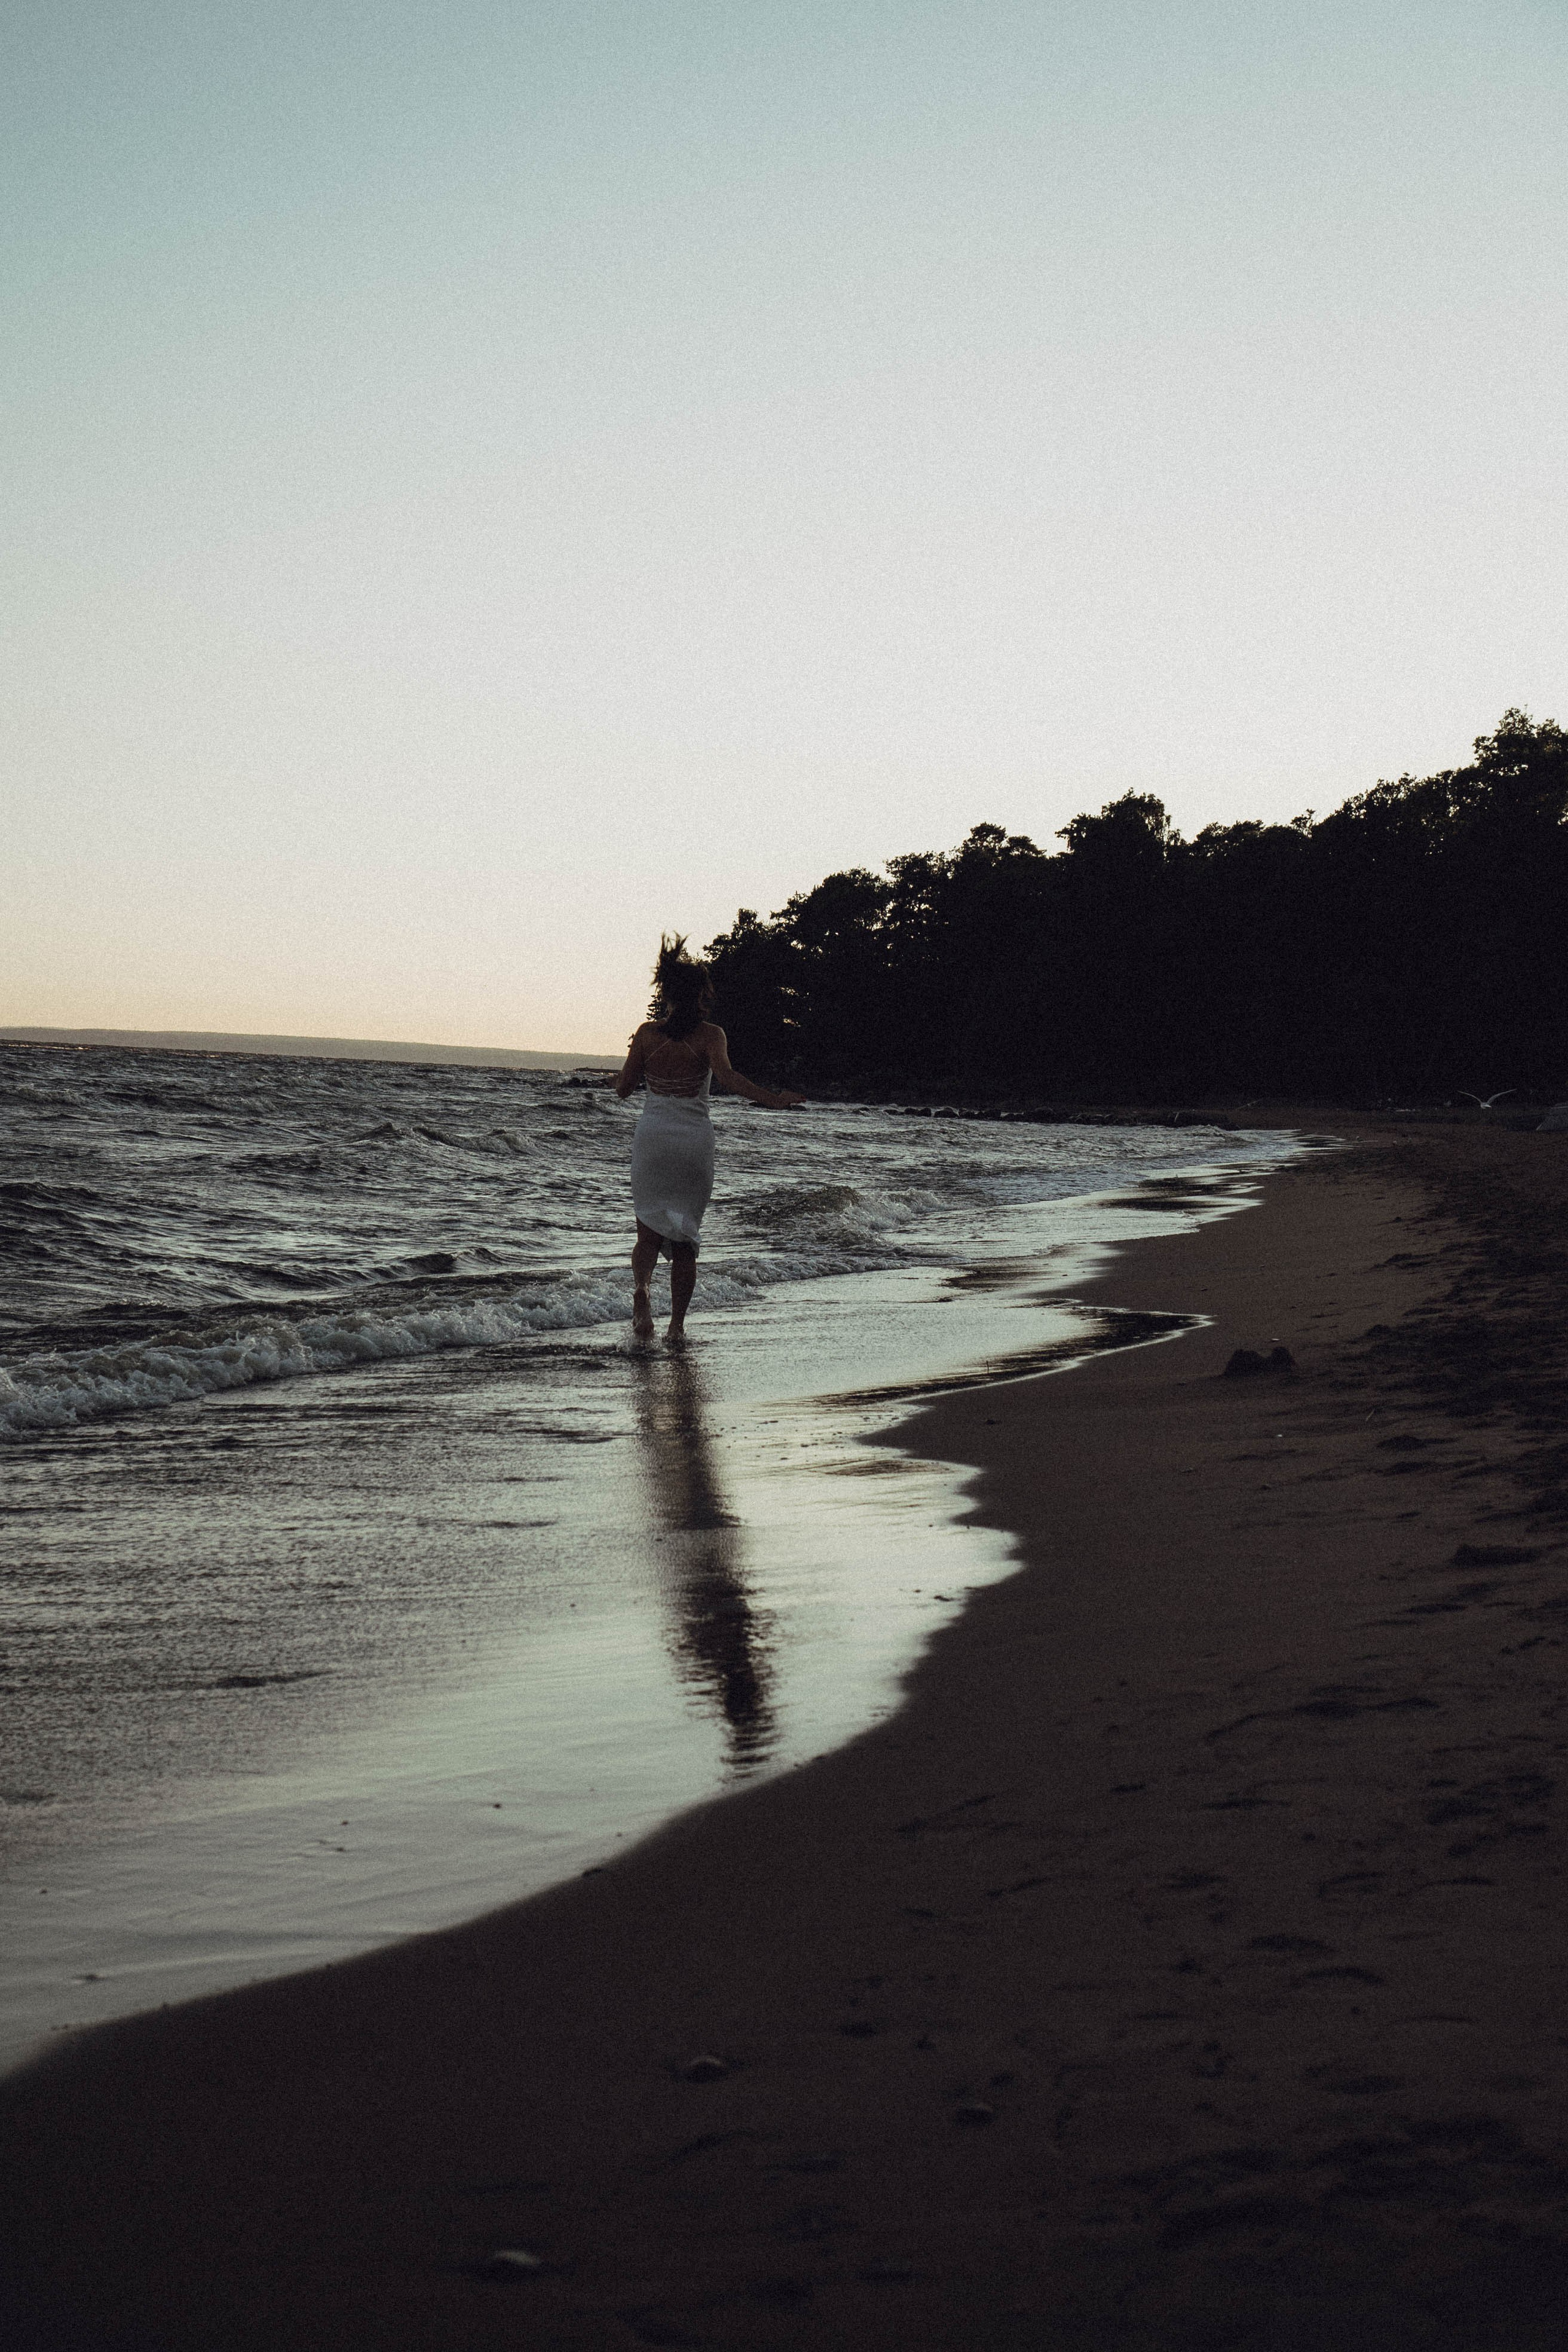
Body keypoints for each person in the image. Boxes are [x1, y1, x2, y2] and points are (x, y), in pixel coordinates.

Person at [616, 936, 805, 1341]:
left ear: (667, 994)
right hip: (693, 1143)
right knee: (684, 1238)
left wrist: (622, 1076)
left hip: (652, 1140)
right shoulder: (711, 1036)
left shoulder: (647, 1034)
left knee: (647, 1232)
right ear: (700, 996)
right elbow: (729, 1078)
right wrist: (775, 1100)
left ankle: (642, 1293)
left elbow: (624, 1089)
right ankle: (677, 1329)